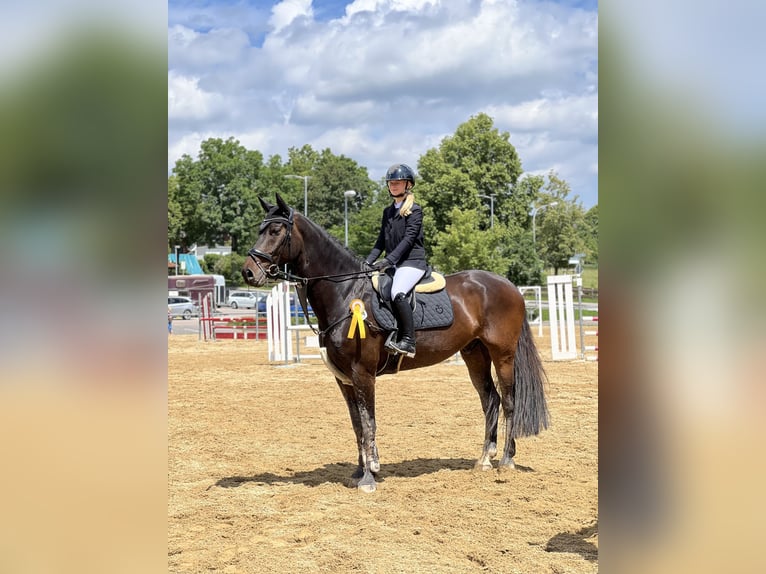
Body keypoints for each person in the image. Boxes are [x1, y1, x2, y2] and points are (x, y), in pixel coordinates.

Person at [364, 163, 428, 358]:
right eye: (391, 183)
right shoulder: (388, 212)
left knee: (397, 292)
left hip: (412, 263)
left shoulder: (414, 210)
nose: (393, 186)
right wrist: (368, 262)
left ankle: (408, 340)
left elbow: (409, 240)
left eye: (398, 182)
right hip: (395, 264)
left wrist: (387, 261)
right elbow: (381, 241)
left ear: (408, 185)